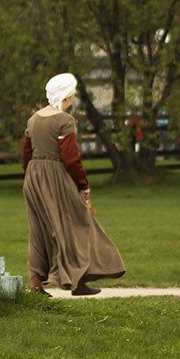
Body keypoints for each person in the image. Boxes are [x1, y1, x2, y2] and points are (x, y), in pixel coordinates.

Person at [22, 73, 126, 296]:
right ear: (66, 95)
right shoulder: (64, 121)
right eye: (73, 92)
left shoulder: (33, 119)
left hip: (33, 176)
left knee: (39, 227)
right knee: (77, 223)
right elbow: (70, 157)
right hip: (54, 175)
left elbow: (27, 153)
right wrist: (83, 184)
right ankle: (77, 281)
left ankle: (38, 283)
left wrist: (32, 177)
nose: (74, 96)